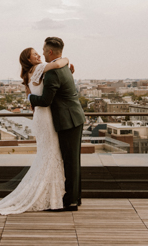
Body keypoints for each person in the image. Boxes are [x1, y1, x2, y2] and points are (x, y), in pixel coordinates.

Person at [0, 47, 72, 215]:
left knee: (47, 154)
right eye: (35, 54)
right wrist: (65, 59)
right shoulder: (37, 69)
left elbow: (34, 98)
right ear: (29, 60)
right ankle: (52, 196)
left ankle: (49, 195)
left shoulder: (30, 73)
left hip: (41, 117)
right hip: (47, 117)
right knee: (51, 153)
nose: (39, 55)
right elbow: (58, 65)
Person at [28, 37, 85, 211]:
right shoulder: (64, 65)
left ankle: (71, 201)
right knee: (73, 160)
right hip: (75, 117)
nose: (42, 53)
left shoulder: (53, 71)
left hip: (67, 120)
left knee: (70, 161)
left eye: (44, 50)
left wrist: (31, 98)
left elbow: (45, 100)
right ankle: (75, 197)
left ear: (50, 52)